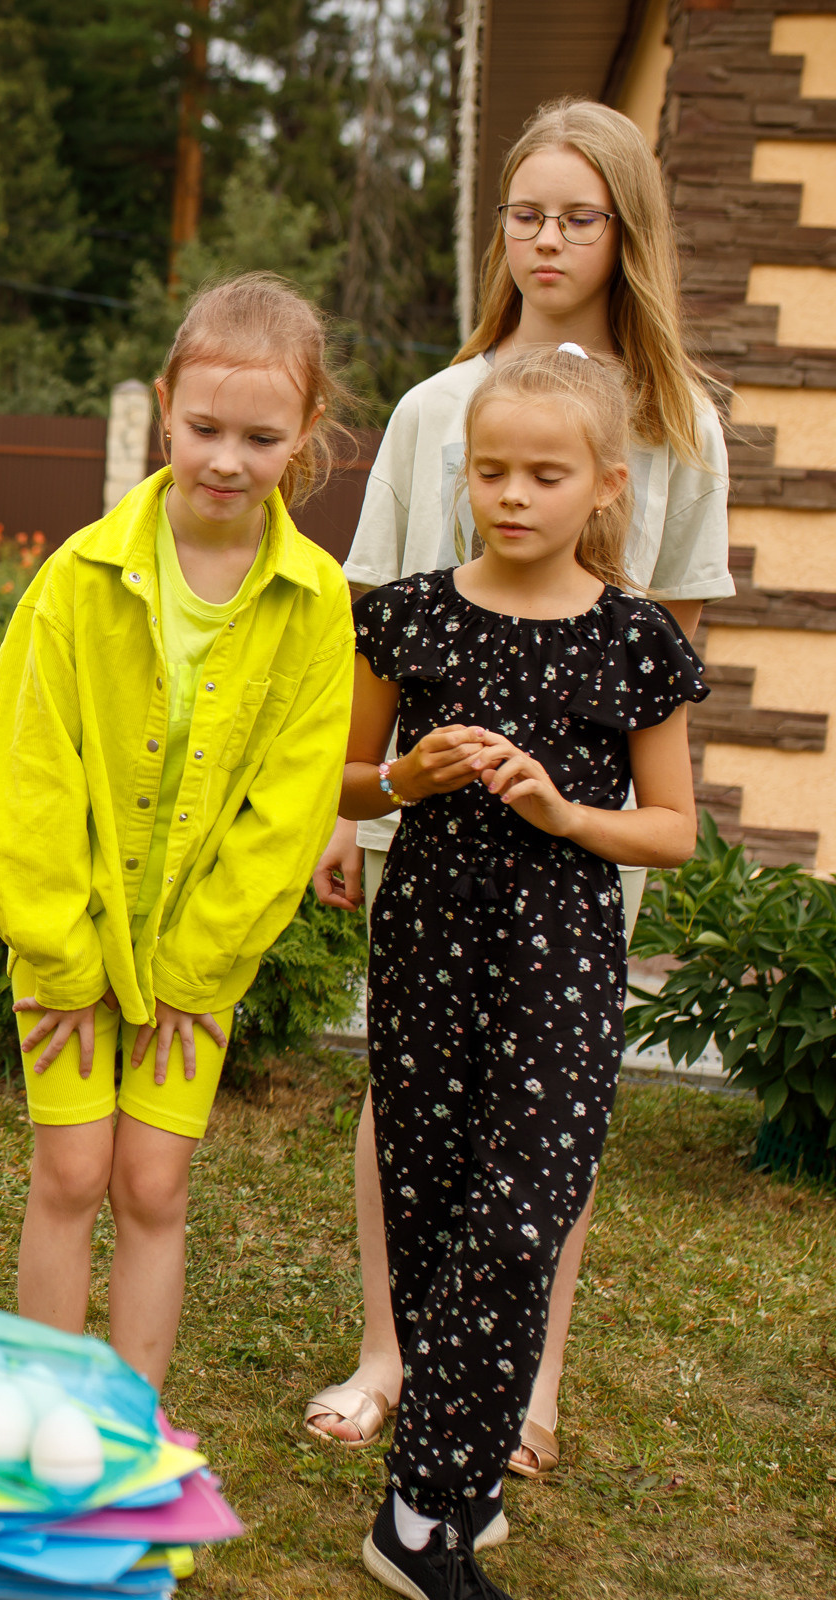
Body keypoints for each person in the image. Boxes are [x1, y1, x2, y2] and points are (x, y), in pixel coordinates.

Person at [304, 98, 733, 1478]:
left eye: (577, 216)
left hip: (577, 841)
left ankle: (526, 1377)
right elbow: (380, 627)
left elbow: (658, 649)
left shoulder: (680, 428)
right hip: (429, 822)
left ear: (627, 232)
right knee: (411, 1087)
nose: (546, 239)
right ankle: (390, 1351)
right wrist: (348, 804)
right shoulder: (442, 404)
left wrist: (587, 811)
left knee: (554, 1104)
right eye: (525, 214)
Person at [347, 344, 703, 1600]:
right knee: (435, 1208)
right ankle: (463, 1477)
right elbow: (335, 780)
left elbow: (673, 827)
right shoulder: (407, 614)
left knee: (523, 1214)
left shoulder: (636, 640)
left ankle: (418, 1514)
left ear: (604, 483)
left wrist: (565, 813)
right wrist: (406, 779)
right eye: (491, 470)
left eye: (545, 474)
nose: (513, 494)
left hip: (563, 953)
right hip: (431, 945)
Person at [0, 273, 354, 1402]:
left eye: (261, 436)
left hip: (201, 960)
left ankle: (127, 1428)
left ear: (306, 437)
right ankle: (46, 1411)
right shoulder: (76, 580)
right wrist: (56, 945)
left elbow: (290, 803)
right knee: (72, 1172)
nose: (227, 459)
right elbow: (26, 771)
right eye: (203, 429)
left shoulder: (315, 602)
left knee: (151, 1186)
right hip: (64, 937)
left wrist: (201, 969)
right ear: (162, 408)